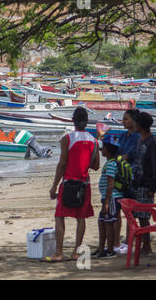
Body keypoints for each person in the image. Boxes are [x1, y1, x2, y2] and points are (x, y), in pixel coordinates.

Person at [47, 107, 100, 262]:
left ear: (73, 120)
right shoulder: (93, 140)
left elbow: (62, 164)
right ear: (87, 121)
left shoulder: (67, 139)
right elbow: (95, 166)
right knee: (81, 217)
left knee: (59, 215)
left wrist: (54, 186)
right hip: (84, 183)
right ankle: (76, 251)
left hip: (68, 183)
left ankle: (58, 252)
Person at [129, 112, 156, 255]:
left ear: (140, 125)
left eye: (135, 123)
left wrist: (152, 187)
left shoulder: (152, 142)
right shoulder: (141, 140)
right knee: (139, 216)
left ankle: (146, 246)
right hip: (137, 183)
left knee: (144, 217)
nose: (133, 125)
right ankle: (143, 245)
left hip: (146, 185)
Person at [113, 108, 140, 254]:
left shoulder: (137, 137)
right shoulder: (122, 136)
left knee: (131, 211)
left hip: (133, 177)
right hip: (120, 177)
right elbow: (117, 153)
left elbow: (130, 155)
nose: (123, 121)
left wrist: (118, 158)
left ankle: (130, 238)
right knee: (117, 208)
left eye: (126, 119)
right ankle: (119, 239)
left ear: (134, 121)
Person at [93, 135, 122, 258]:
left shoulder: (111, 164)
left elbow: (110, 184)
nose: (101, 150)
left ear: (108, 150)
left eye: (103, 148)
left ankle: (110, 250)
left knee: (109, 222)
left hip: (111, 198)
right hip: (108, 198)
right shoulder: (110, 162)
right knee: (102, 221)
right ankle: (101, 249)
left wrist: (106, 201)